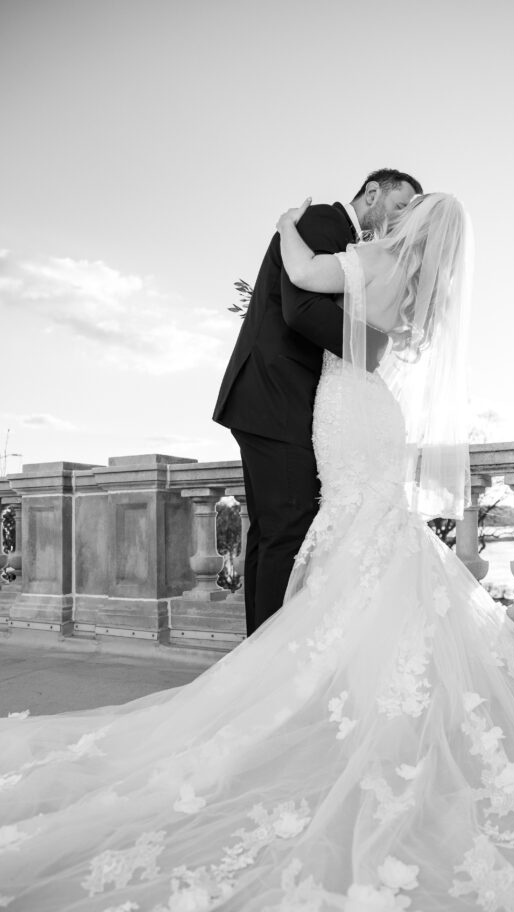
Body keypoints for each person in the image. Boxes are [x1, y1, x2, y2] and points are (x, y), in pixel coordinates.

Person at [2, 194, 514, 912]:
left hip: (340, 411)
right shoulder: (419, 287)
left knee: (341, 534)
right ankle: (345, 675)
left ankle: (306, 670)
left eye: (403, 208)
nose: (390, 213)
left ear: (410, 223)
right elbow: (354, 330)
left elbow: (297, 276)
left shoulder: (365, 258)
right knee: (370, 534)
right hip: (373, 412)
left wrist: (285, 217)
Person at [212, 168, 422, 635]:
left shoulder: (343, 237)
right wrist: (373, 349)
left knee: (270, 534)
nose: (402, 218)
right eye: (399, 205)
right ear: (373, 193)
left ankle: (255, 661)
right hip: (276, 397)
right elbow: (300, 308)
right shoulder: (325, 222)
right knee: (287, 532)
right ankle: (270, 669)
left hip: (269, 398)